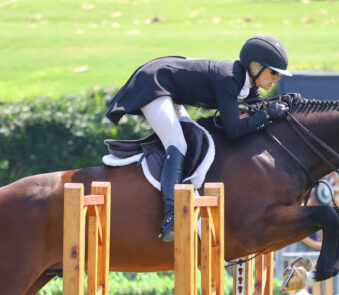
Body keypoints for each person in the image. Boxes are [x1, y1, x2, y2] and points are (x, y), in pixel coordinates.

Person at [106, 35, 292, 242]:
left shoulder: (245, 83)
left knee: (191, 137)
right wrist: (267, 116)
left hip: (170, 89)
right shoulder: (229, 80)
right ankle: (171, 215)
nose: (276, 78)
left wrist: (287, 103)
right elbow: (234, 129)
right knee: (177, 144)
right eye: (274, 72)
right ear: (255, 67)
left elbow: (259, 106)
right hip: (154, 84)